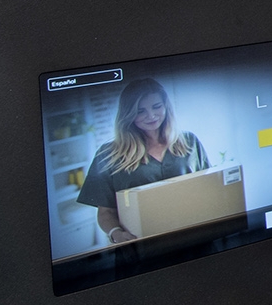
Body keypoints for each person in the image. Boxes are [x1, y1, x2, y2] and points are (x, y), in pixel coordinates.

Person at [77, 78, 210, 244]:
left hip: (196, 241)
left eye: (157, 106)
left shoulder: (189, 141)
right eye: (140, 111)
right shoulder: (108, 154)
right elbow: (106, 213)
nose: (151, 116)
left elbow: (207, 191)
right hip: (143, 247)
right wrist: (116, 233)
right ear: (128, 114)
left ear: (166, 106)